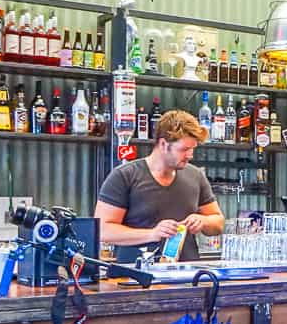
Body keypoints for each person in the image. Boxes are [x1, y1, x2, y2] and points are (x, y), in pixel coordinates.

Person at [95, 109, 224, 262]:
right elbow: (103, 230)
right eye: (184, 149)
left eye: (192, 149)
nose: (190, 155)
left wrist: (203, 222)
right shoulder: (125, 176)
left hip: (186, 272)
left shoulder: (196, 176)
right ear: (163, 144)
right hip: (136, 273)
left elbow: (218, 222)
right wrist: (152, 234)